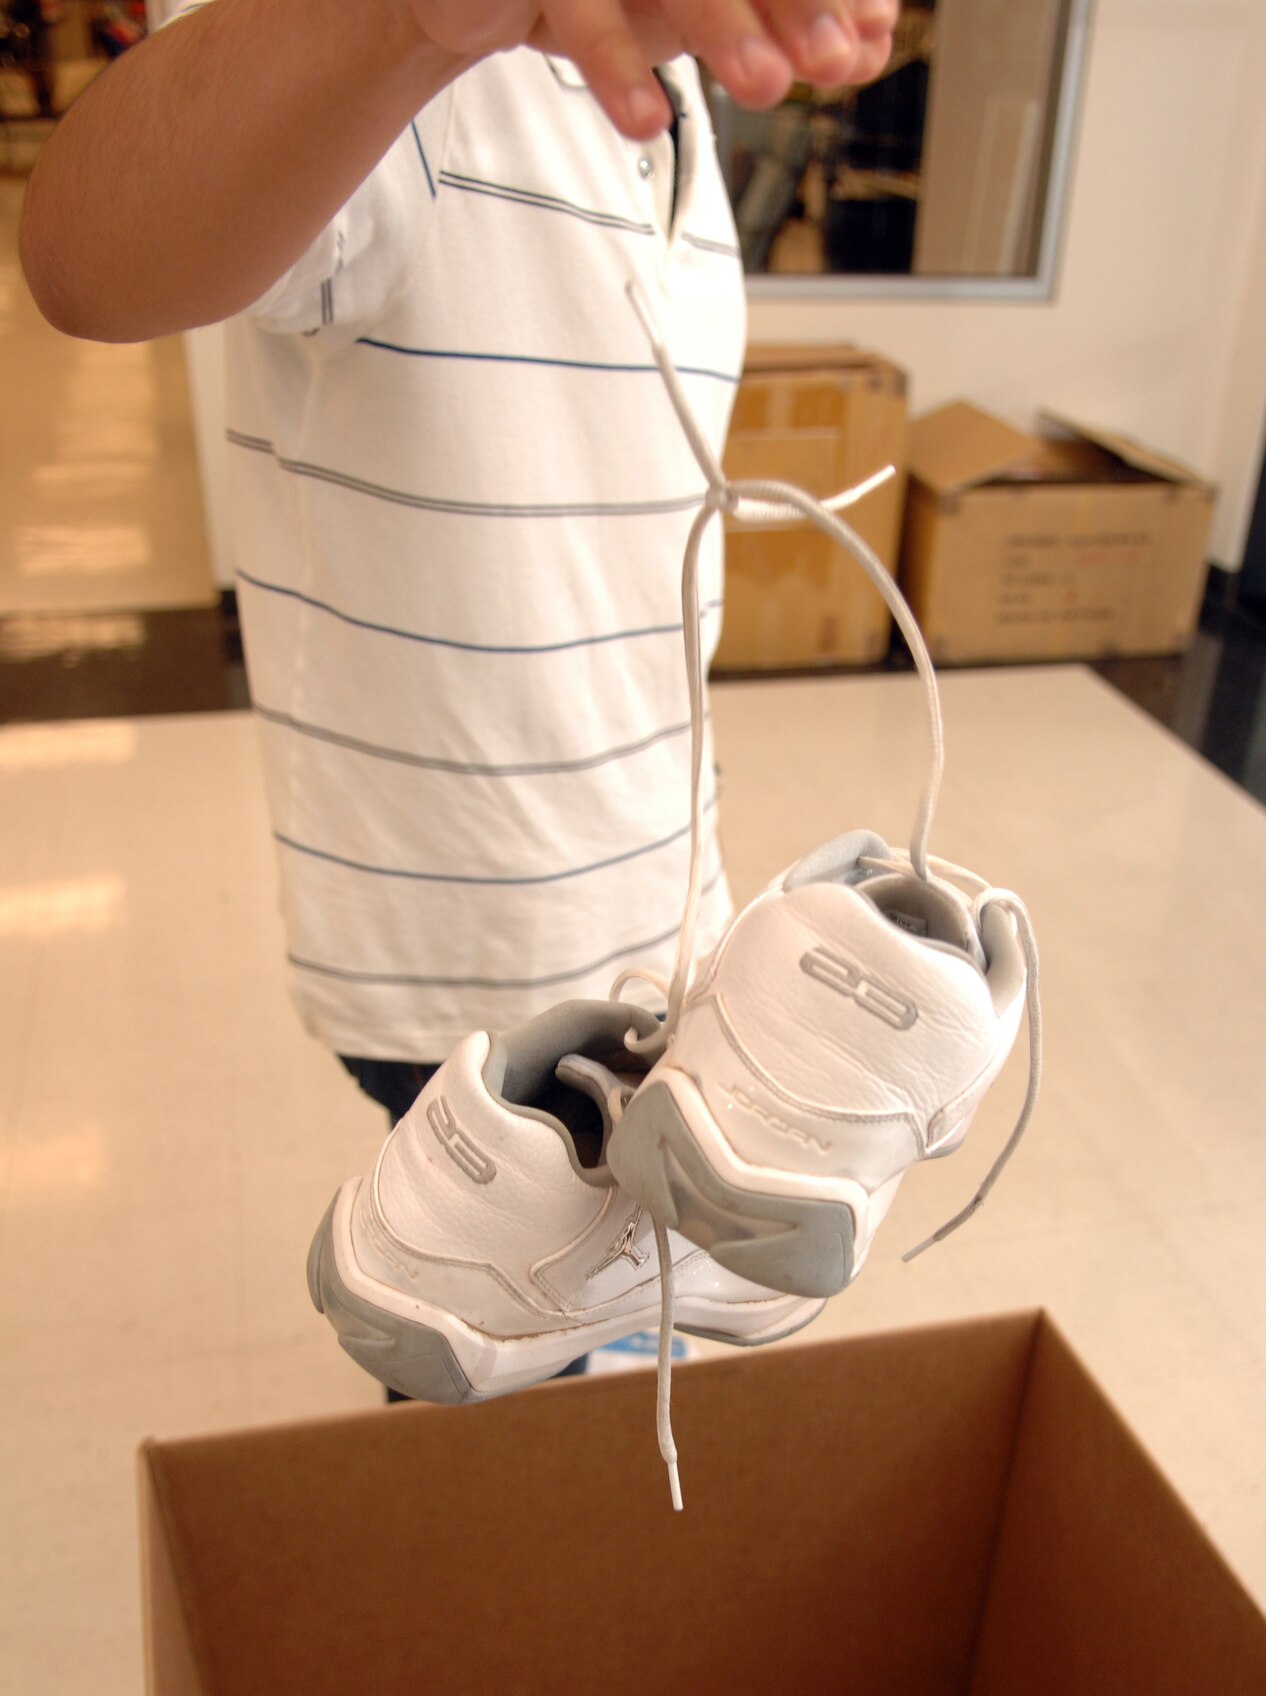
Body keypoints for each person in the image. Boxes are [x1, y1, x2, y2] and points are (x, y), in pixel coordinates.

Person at [19, 3, 895, 1154]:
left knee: (618, 1290)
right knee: (525, 1301)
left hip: (653, 879)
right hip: (472, 948)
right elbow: (91, 264)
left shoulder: (664, 87)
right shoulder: (409, 60)